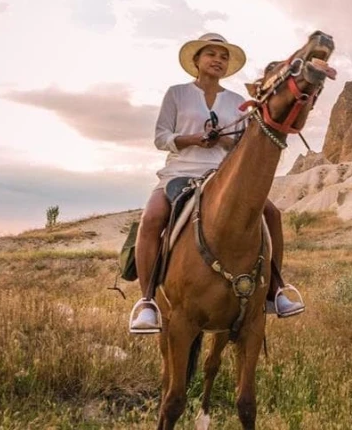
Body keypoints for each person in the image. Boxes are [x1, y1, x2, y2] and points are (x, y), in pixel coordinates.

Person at [129, 32, 304, 334]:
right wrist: (193, 139)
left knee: (272, 214)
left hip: (222, 173)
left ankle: (275, 289)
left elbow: (244, 144)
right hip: (180, 172)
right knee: (151, 219)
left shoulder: (237, 101)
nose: (218, 60)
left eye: (223, 57)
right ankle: (147, 302)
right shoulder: (176, 93)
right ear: (196, 60)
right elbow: (161, 137)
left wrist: (224, 140)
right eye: (211, 54)